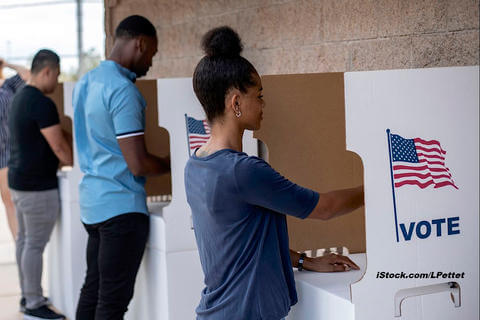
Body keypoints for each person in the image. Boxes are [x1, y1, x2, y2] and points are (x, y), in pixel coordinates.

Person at [185, 26, 365, 320]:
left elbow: (241, 245)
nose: (264, 104)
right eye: (259, 95)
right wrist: (376, 187)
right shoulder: (243, 172)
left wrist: (305, 261)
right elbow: (324, 208)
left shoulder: (196, 165)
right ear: (236, 103)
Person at [73, 15, 170, 320]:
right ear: (139, 43)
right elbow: (138, 163)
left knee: (93, 292)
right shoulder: (123, 91)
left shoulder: (85, 83)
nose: (151, 63)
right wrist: (171, 162)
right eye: (151, 54)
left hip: (92, 205)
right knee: (111, 305)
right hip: (121, 210)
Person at [9, 49, 72, 320]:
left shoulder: (19, 96)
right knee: (33, 244)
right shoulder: (41, 103)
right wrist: (73, 162)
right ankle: (34, 302)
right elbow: (59, 146)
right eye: (56, 75)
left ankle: (28, 295)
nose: (56, 83)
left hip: (19, 181)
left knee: (25, 241)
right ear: (46, 70)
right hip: (37, 187)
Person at [0, 58, 30, 241]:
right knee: (9, 202)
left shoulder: (8, 86)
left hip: (10, 153)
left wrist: (7, 63)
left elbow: (27, 75)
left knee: (12, 202)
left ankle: (20, 243)